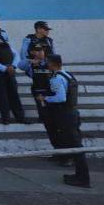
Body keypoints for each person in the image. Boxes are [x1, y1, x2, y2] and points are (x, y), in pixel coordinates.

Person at [40, 54, 89, 187]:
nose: (46, 64)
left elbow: (60, 98)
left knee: (76, 146)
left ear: (52, 64)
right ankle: (79, 175)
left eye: (47, 62)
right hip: (72, 113)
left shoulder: (56, 78)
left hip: (66, 114)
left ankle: (83, 178)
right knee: (75, 145)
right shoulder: (68, 75)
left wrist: (45, 98)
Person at [0, 27, 27, 125]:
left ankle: (20, 117)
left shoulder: (5, 43)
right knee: (2, 97)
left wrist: (13, 66)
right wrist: (5, 68)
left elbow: (16, 55)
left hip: (10, 71)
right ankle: (6, 118)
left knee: (14, 95)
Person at [21, 44, 58, 149]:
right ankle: (43, 120)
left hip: (50, 89)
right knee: (42, 108)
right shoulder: (31, 63)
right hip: (38, 89)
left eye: (41, 50)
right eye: (37, 51)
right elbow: (20, 65)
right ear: (32, 52)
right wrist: (29, 61)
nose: (40, 53)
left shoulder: (49, 61)